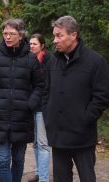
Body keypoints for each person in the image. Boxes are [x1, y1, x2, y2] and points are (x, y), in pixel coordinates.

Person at [43, 15, 109, 182]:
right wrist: (48, 115)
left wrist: (85, 118)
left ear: (74, 35)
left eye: (59, 35)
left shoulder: (95, 61)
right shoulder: (52, 62)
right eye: (54, 36)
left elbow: (102, 96)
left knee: (87, 178)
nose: (54, 40)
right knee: (60, 178)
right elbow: (46, 91)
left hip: (82, 135)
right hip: (58, 135)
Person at [0, 18, 44, 182]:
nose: (7, 37)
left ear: (21, 35)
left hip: (22, 119)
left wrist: (30, 104)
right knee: (3, 160)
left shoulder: (31, 59)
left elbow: (40, 85)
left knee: (18, 160)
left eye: (12, 34)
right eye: (5, 33)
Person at [29, 34, 51, 182]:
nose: (31, 46)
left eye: (34, 44)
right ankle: (38, 173)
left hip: (44, 107)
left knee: (43, 144)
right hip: (32, 106)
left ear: (42, 45)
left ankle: (44, 178)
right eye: (30, 44)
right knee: (35, 143)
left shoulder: (49, 61)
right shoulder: (29, 61)